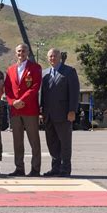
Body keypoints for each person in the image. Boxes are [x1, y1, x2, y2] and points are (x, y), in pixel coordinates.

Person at [40, 48, 80, 177]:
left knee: (65, 143)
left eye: (54, 56)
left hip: (64, 114)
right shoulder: (44, 73)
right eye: (50, 56)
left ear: (59, 57)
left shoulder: (69, 71)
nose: (52, 58)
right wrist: (41, 111)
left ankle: (65, 169)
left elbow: (74, 93)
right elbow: (42, 94)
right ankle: (55, 168)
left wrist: (72, 110)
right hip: (48, 115)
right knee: (52, 143)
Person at [4, 43, 42, 177]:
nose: (21, 53)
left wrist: (22, 101)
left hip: (30, 110)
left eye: (24, 51)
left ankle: (35, 169)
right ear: (16, 53)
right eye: (19, 51)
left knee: (34, 141)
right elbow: (7, 88)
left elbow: (35, 87)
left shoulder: (35, 67)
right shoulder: (10, 69)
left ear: (28, 53)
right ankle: (19, 168)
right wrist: (13, 102)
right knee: (17, 141)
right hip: (15, 110)